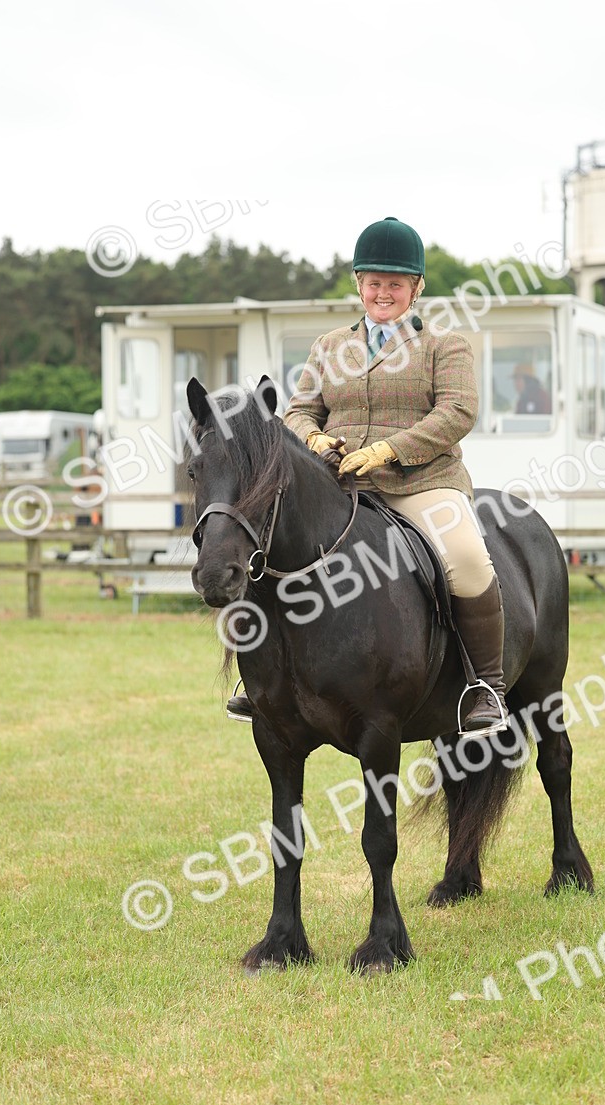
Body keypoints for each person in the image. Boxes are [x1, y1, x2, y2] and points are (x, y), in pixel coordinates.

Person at [227, 216, 509, 739]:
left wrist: (390, 449)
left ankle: (485, 686)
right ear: (359, 284)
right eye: (374, 282)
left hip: (421, 482)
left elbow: (457, 411)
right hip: (338, 485)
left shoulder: (445, 346)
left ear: (416, 288)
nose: (383, 293)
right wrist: (313, 440)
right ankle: (263, 678)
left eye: (395, 284)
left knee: (468, 559)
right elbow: (298, 410)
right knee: (268, 550)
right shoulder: (330, 346)